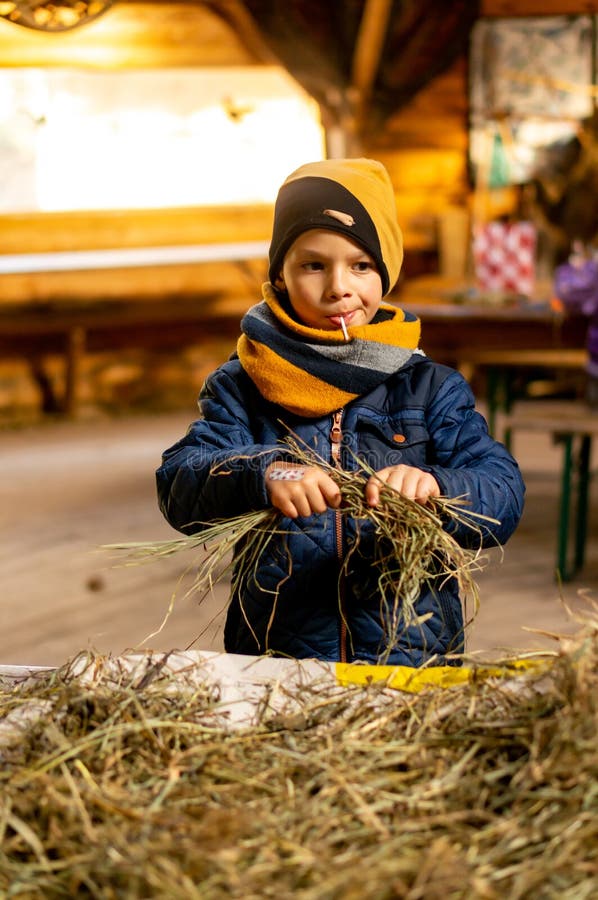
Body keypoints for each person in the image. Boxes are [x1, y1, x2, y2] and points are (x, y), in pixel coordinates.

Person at [156, 158, 525, 666]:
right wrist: (265, 471)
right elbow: (179, 481)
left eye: (361, 265)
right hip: (279, 661)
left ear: (385, 274)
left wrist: (436, 486)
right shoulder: (245, 384)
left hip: (411, 658)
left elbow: (502, 488)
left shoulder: (429, 387)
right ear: (279, 276)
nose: (338, 287)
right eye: (313, 265)